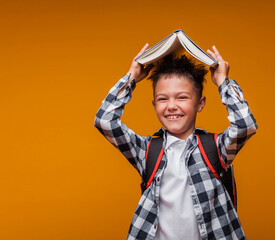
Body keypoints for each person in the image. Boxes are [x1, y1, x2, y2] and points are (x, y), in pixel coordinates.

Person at [94, 43, 258, 240]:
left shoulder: (216, 148)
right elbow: (105, 120)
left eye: (182, 97)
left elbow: (245, 125)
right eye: (163, 99)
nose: (171, 106)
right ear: (154, 105)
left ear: (200, 103)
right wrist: (131, 77)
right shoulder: (147, 151)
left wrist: (223, 81)